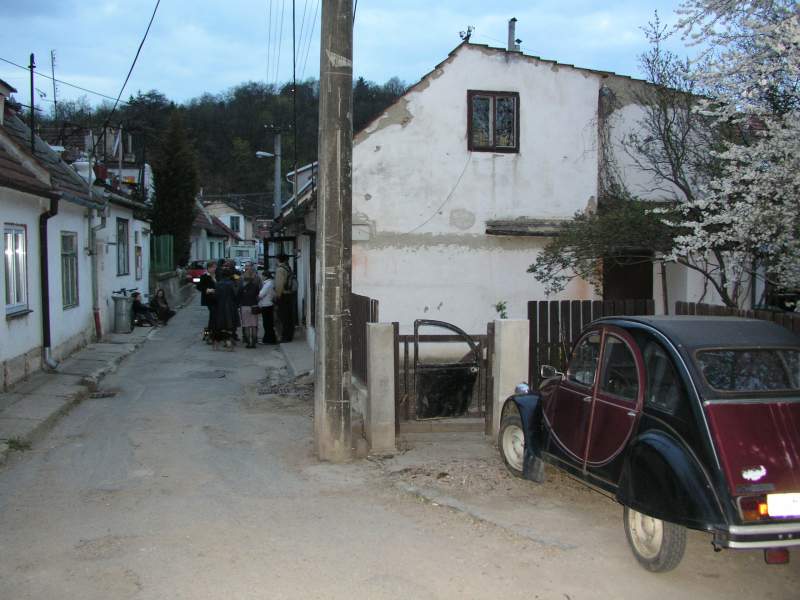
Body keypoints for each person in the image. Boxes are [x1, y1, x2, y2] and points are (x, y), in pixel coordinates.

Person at [209, 267, 238, 349]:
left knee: (220, 325)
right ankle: (229, 342)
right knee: (230, 326)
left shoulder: (218, 284)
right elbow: (235, 295)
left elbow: (215, 296)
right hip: (230, 307)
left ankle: (217, 344)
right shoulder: (232, 283)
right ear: (229, 275)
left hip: (220, 307)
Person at [237, 270, 261, 348]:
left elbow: (238, 297)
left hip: (244, 307)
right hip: (254, 306)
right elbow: (258, 295)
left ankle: (248, 343)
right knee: (254, 325)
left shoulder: (241, 287)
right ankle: (253, 343)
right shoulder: (256, 286)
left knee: (246, 326)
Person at [274, 253, 295, 342]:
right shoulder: (288, 268)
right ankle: (289, 335)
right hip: (289, 294)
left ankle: (284, 336)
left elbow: (279, 285)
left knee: (283, 317)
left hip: (283, 295)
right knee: (289, 316)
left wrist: (277, 296)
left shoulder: (280, 269)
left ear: (278, 259)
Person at [196, 261, 217, 341]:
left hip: (217, 298)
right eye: (212, 267)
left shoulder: (217, 275)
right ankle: (208, 334)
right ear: (208, 268)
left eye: (215, 267)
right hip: (209, 299)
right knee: (213, 316)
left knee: (213, 317)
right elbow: (199, 286)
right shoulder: (204, 276)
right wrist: (207, 290)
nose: (214, 269)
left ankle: (208, 334)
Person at [258, 271, 278, 344]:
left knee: (267, 324)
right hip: (270, 304)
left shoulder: (267, 284)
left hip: (266, 305)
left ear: (265, 276)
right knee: (269, 323)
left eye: (262, 276)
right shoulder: (272, 283)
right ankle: (269, 339)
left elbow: (261, 294)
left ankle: (268, 340)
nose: (261, 277)